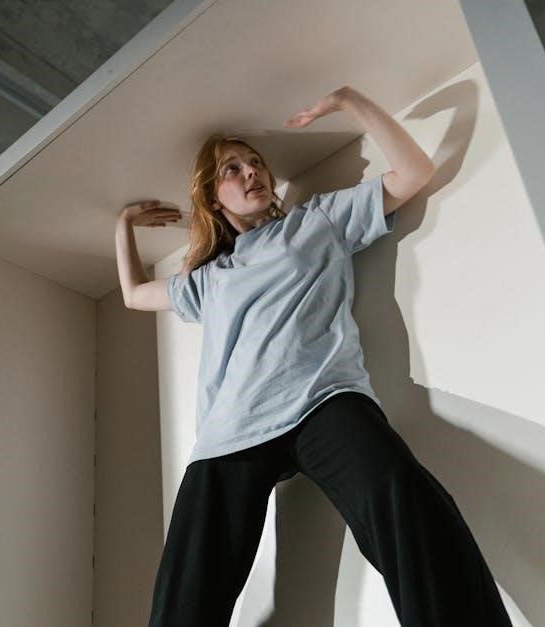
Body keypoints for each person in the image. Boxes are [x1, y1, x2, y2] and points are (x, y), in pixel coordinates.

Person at [114, 86, 511, 627]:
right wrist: (123, 227)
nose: (251, 172)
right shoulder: (210, 279)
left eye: (255, 162)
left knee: (410, 503)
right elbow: (134, 295)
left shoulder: (317, 221)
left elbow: (414, 173)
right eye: (232, 169)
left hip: (324, 400)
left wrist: (351, 101)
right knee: (187, 589)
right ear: (213, 198)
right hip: (233, 430)